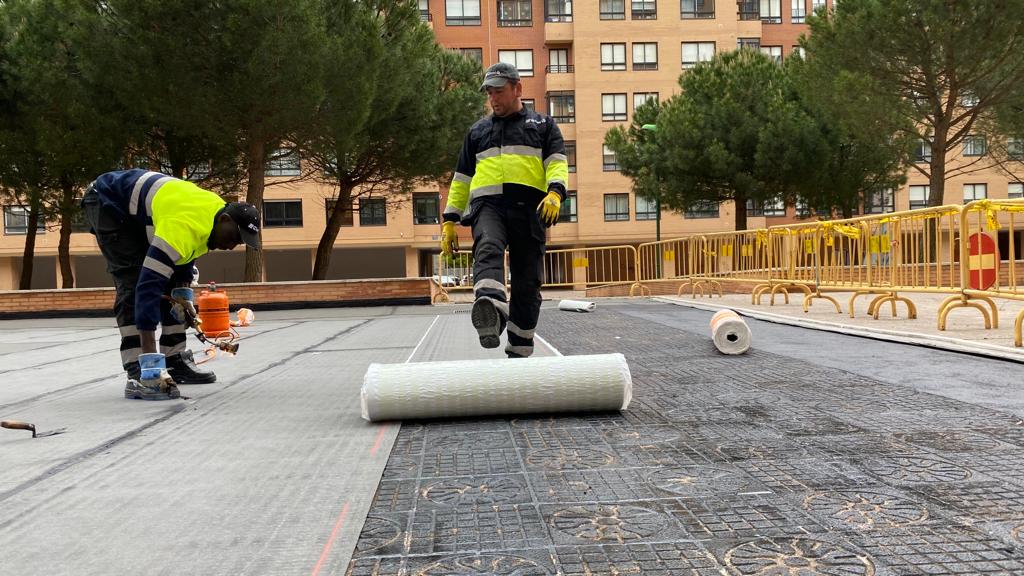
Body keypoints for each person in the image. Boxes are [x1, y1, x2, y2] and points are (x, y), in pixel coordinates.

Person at [82, 169, 261, 400]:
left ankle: (174, 360)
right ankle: (139, 371)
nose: (232, 246)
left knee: (172, 288)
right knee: (133, 283)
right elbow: (148, 286)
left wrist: (183, 296)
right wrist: (151, 363)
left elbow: (185, 257)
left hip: (142, 213)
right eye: (235, 237)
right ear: (225, 220)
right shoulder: (184, 225)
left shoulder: (215, 218)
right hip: (109, 202)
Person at [440, 62, 569, 358]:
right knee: (488, 247)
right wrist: (449, 220)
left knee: (528, 282)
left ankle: (519, 350)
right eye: (489, 93)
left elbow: (557, 164)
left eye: (498, 91)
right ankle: (491, 308)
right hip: (489, 206)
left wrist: (555, 193)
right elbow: (461, 180)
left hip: (531, 209)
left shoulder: (543, 126)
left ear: (517, 89)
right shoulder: (478, 131)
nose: (493, 98)